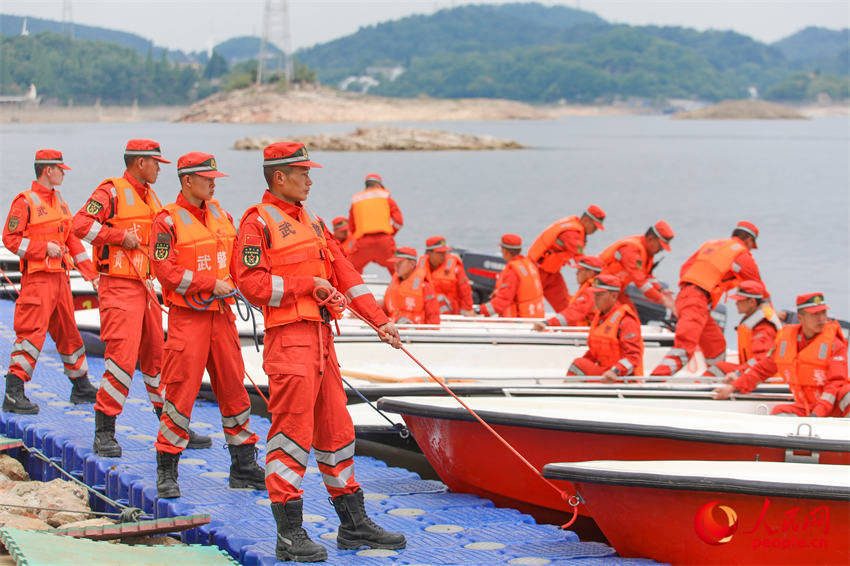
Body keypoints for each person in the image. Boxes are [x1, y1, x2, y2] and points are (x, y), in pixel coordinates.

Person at [234, 142, 406, 562]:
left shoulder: (313, 221)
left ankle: (352, 525)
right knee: (292, 436)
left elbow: (346, 272)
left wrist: (379, 319)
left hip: (322, 341)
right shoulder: (257, 224)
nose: (310, 179)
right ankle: (289, 534)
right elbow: (251, 284)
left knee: (337, 432)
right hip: (289, 340)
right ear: (279, 177)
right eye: (303, 173)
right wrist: (306, 287)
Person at [72, 139, 211, 457]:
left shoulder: (151, 197)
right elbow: (80, 225)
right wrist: (119, 236)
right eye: (155, 163)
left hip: (146, 288)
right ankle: (104, 430)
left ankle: (173, 425)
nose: (160, 168)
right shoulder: (111, 191)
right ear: (140, 163)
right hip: (119, 287)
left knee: (158, 359)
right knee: (121, 359)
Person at [150, 152, 264, 499]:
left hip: (223, 316)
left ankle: (243, 466)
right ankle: (167, 469)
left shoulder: (223, 215)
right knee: (181, 393)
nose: (214, 183)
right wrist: (206, 283)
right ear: (187, 181)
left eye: (215, 177)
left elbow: (236, 263)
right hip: (189, 319)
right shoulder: (166, 221)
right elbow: (163, 269)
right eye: (207, 177)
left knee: (234, 389)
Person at [2, 149, 99, 414]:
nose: (63, 174)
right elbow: (10, 238)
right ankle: (13, 392)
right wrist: (43, 248)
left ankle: (80, 386)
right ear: (48, 170)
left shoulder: (59, 201)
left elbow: (72, 240)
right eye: (60, 169)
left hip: (60, 279)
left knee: (69, 332)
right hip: (38, 281)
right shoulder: (25, 202)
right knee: (31, 334)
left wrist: (91, 274)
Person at [650, 221, 763, 377]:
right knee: (685, 348)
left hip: (691, 297)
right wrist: (770, 314)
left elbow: (685, 268)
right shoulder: (741, 254)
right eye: (752, 245)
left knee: (716, 346)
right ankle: (652, 382)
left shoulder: (712, 244)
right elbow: (757, 288)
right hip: (697, 300)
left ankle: (712, 383)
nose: (751, 249)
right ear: (749, 240)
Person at [713, 293, 849, 417]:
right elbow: (762, 370)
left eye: (823, 313)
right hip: (806, 407)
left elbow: (835, 384)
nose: (821, 319)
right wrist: (733, 387)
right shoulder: (786, 342)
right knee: (779, 413)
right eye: (815, 315)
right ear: (800, 318)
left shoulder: (835, 344)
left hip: (832, 409)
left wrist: (817, 414)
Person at [527, 205, 606, 312]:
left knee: (566, 307)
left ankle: (569, 326)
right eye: (595, 227)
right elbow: (580, 260)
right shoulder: (572, 233)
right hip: (536, 273)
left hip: (552, 274)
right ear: (586, 220)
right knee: (527, 304)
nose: (595, 231)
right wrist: (601, 279)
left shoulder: (574, 226)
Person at [567, 275, 644, 382]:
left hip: (623, 379)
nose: (595, 299)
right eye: (595, 294)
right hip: (606, 374)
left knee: (578, 364)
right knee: (580, 364)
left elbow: (633, 357)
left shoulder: (626, 321)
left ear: (614, 296)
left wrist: (615, 371)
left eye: (600, 295)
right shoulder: (600, 318)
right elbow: (593, 353)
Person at [706, 280, 782, 379]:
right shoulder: (756, 318)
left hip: (766, 378)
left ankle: (700, 391)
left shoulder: (763, 327)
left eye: (740, 300)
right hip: (753, 371)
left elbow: (761, 360)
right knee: (719, 367)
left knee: (718, 369)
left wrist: (738, 373)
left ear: (752, 302)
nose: (736, 303)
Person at [599, 220, 676, 315]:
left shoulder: (647, 252)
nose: (661, 250)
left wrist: (661, 290)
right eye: (660, 246)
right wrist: (663, 300)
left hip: (613, 291)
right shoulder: (632, 249)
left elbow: (646, 275)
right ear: (651, 239)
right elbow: (641, 283)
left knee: (631, 315)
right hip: (599, 289)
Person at [347, 173, 403, 277]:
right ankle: (401, 290)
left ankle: (352, 292)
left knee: (348, 270)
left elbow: (351, 226)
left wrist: (358, 238)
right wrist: (391, 233)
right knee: (399, 271)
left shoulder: (357, 199)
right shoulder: (386, 197)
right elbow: (399, 221)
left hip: (363, 243)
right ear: (379, 185)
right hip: (385, 241)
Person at [479, 234, 545, 318]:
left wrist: (479, 310)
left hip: (518, 323)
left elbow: (501, 301)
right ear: (520, 250)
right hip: (534, 317)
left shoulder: (513, 272)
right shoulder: (529, 265)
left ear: (505, 251)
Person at [534, 255, 603, 330]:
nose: (576, 273)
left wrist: (548, 323)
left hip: (582, 335)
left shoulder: (591, 292)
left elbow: (574, 312)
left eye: (580, 270)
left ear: (590, 273)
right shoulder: (597, 289)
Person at [417, 236, 474, 316]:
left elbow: (466, 293)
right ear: (429, 253)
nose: (443, 255)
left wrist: (467, 311)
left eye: (444, 252)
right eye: (439, 253)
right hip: (428, 313)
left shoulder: (456, 269)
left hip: (451, 314)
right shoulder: (419, 268)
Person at [384, 247, 441, 325]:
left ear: (412, 264)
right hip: (395, 330)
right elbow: (385, 309)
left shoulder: (425, 286)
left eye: (399, 263)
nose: (396, 266)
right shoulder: (393, 284)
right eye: (395, 263)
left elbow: (433, 318)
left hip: (416, 333)